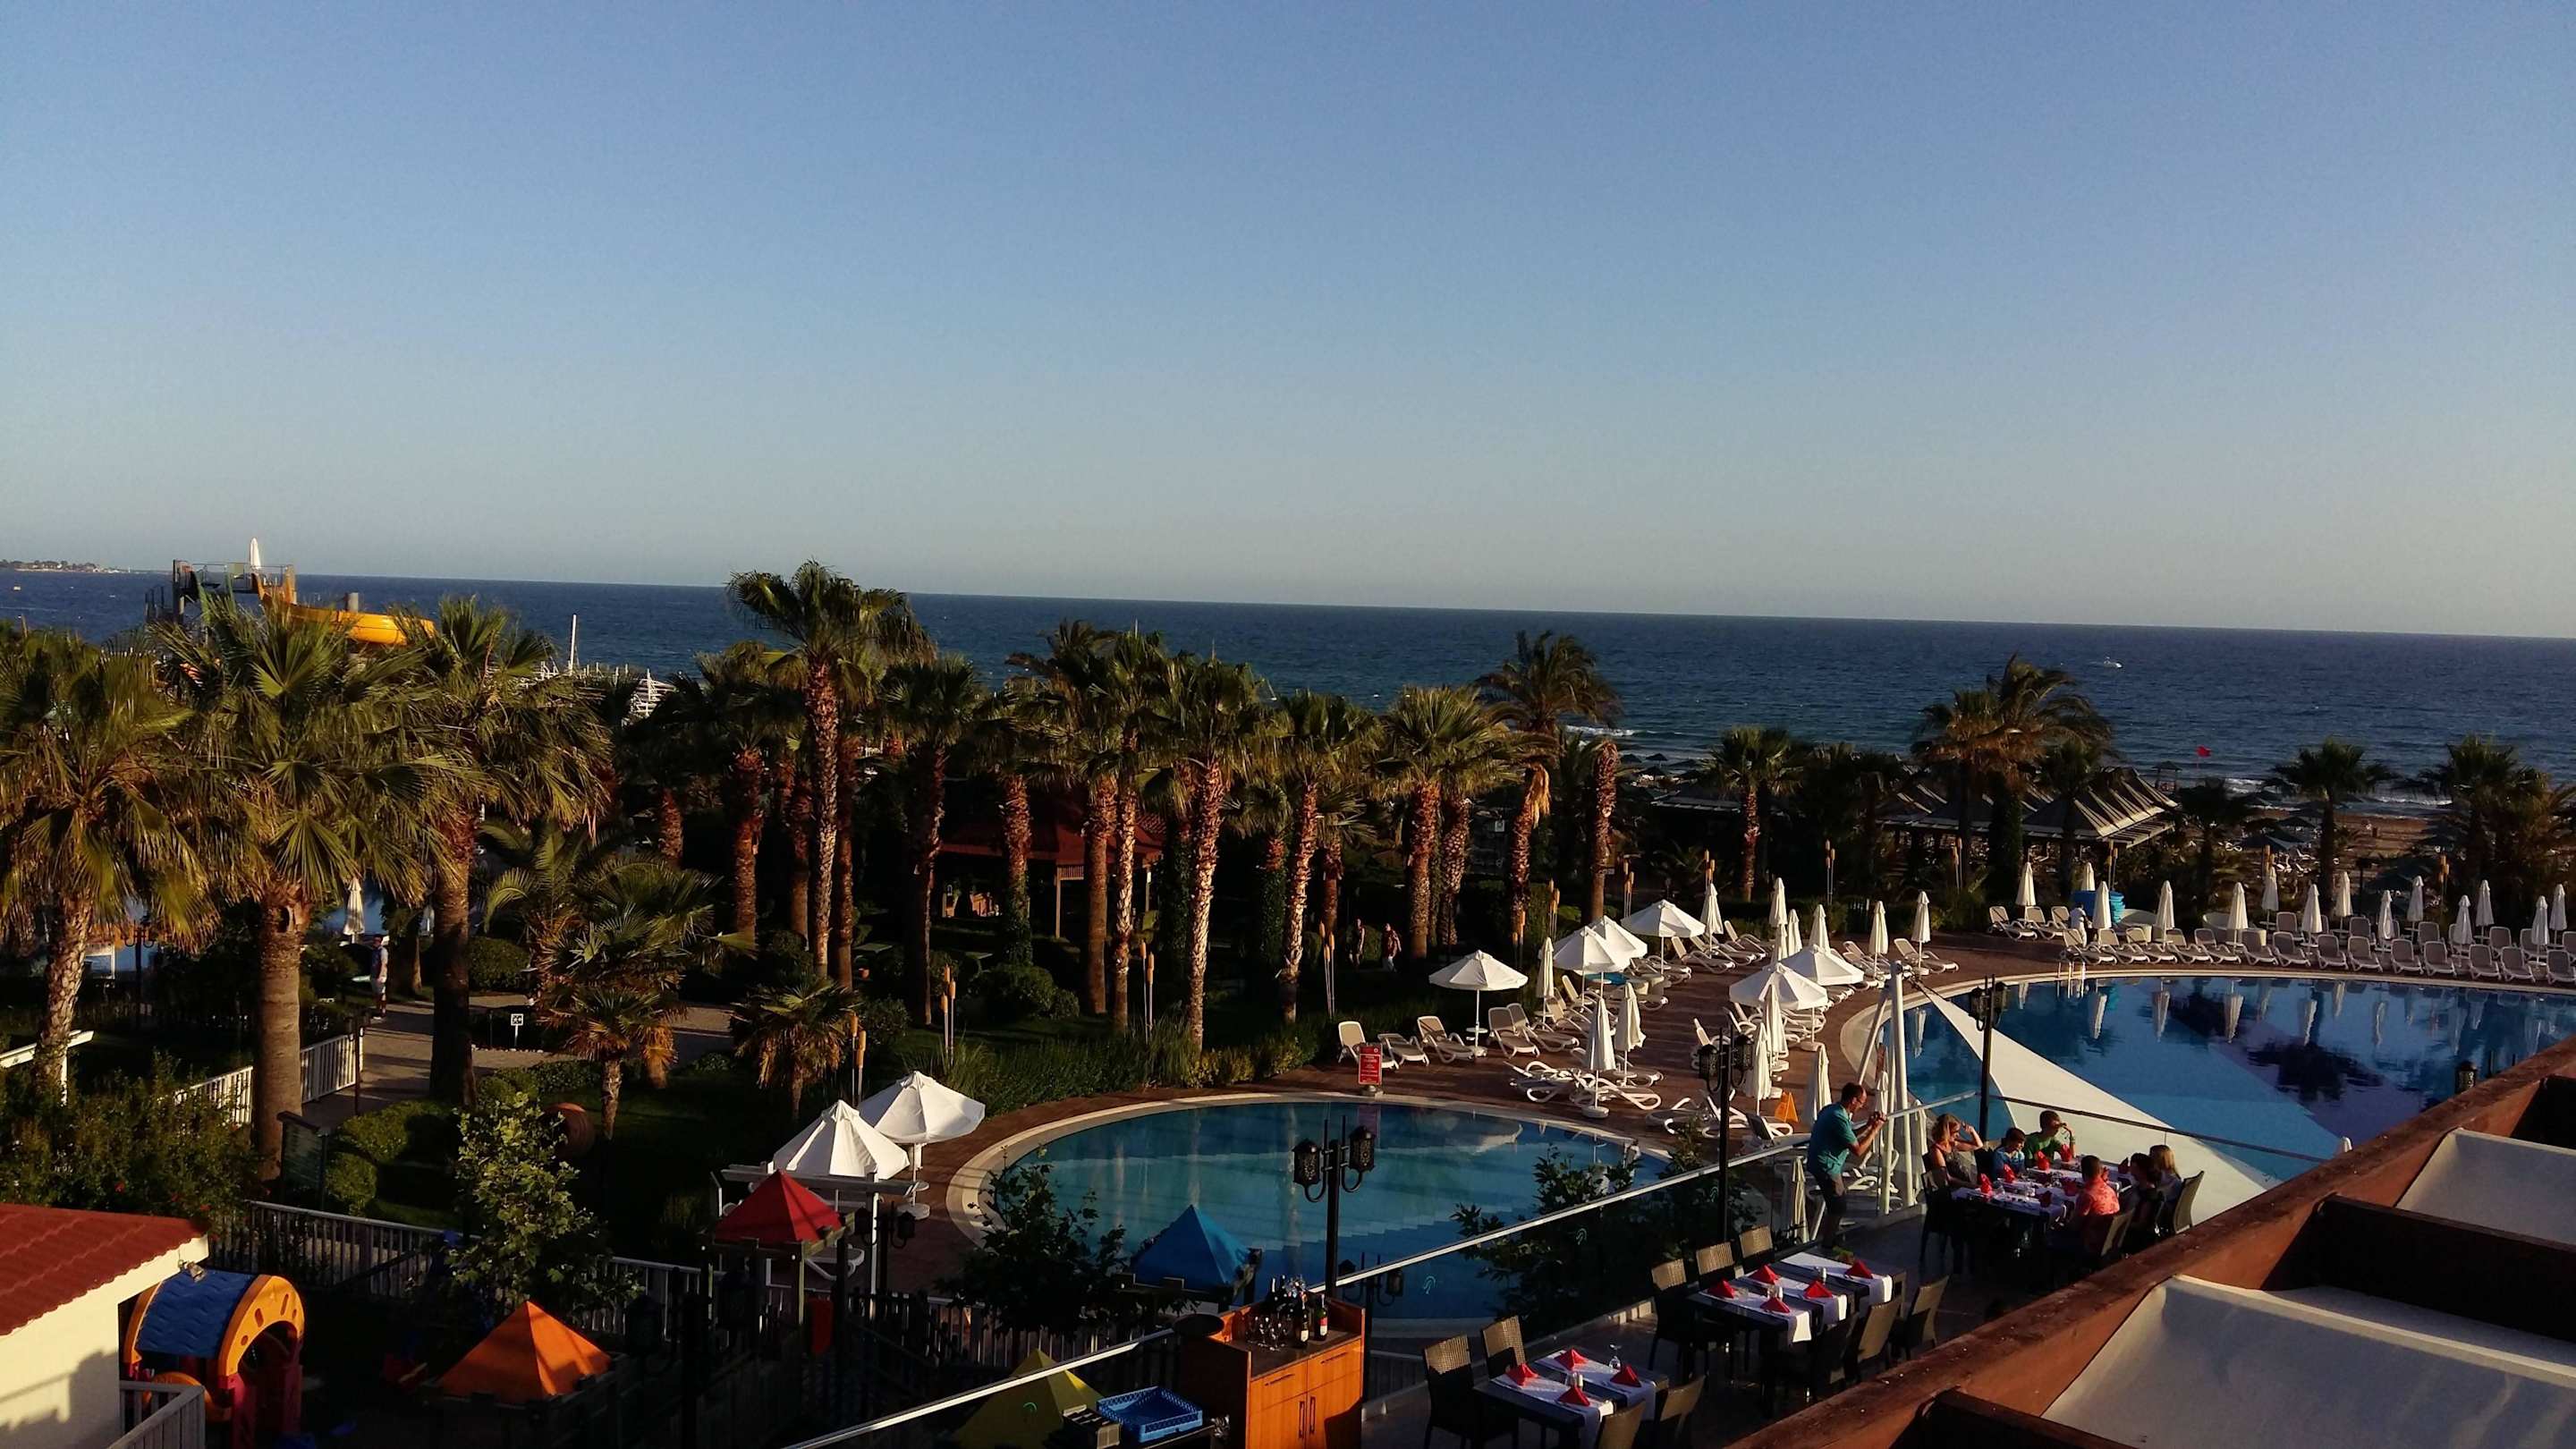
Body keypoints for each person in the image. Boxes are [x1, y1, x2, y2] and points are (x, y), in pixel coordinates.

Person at [1808, 1082, 1886, 1251]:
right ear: (1853, 1100)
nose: (1862, 1106)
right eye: (1861, 1102)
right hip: (1827, 1166)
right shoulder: (1838, 1118)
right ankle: (1828, 1244)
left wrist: (1868, 1126)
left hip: (1818, 1162)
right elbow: (1858, 1150)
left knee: (1836, 1205)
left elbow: (1848, 1136)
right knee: (1838, 1206)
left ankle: (1829, 1240)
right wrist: (1875, 1130)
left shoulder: (1831, 1110)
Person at [1923, 1114, 1983, 1189]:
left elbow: (1978, 1145)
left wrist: (1972, 1131)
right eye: (1955, 1131)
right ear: (1946, 1132)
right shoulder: (1936, 1151)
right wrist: (1972, 1186)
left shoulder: (1952, 1143)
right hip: (1954, 1189)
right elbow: (1947, 1178)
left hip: (1964, 1185)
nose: (1958, 1135)